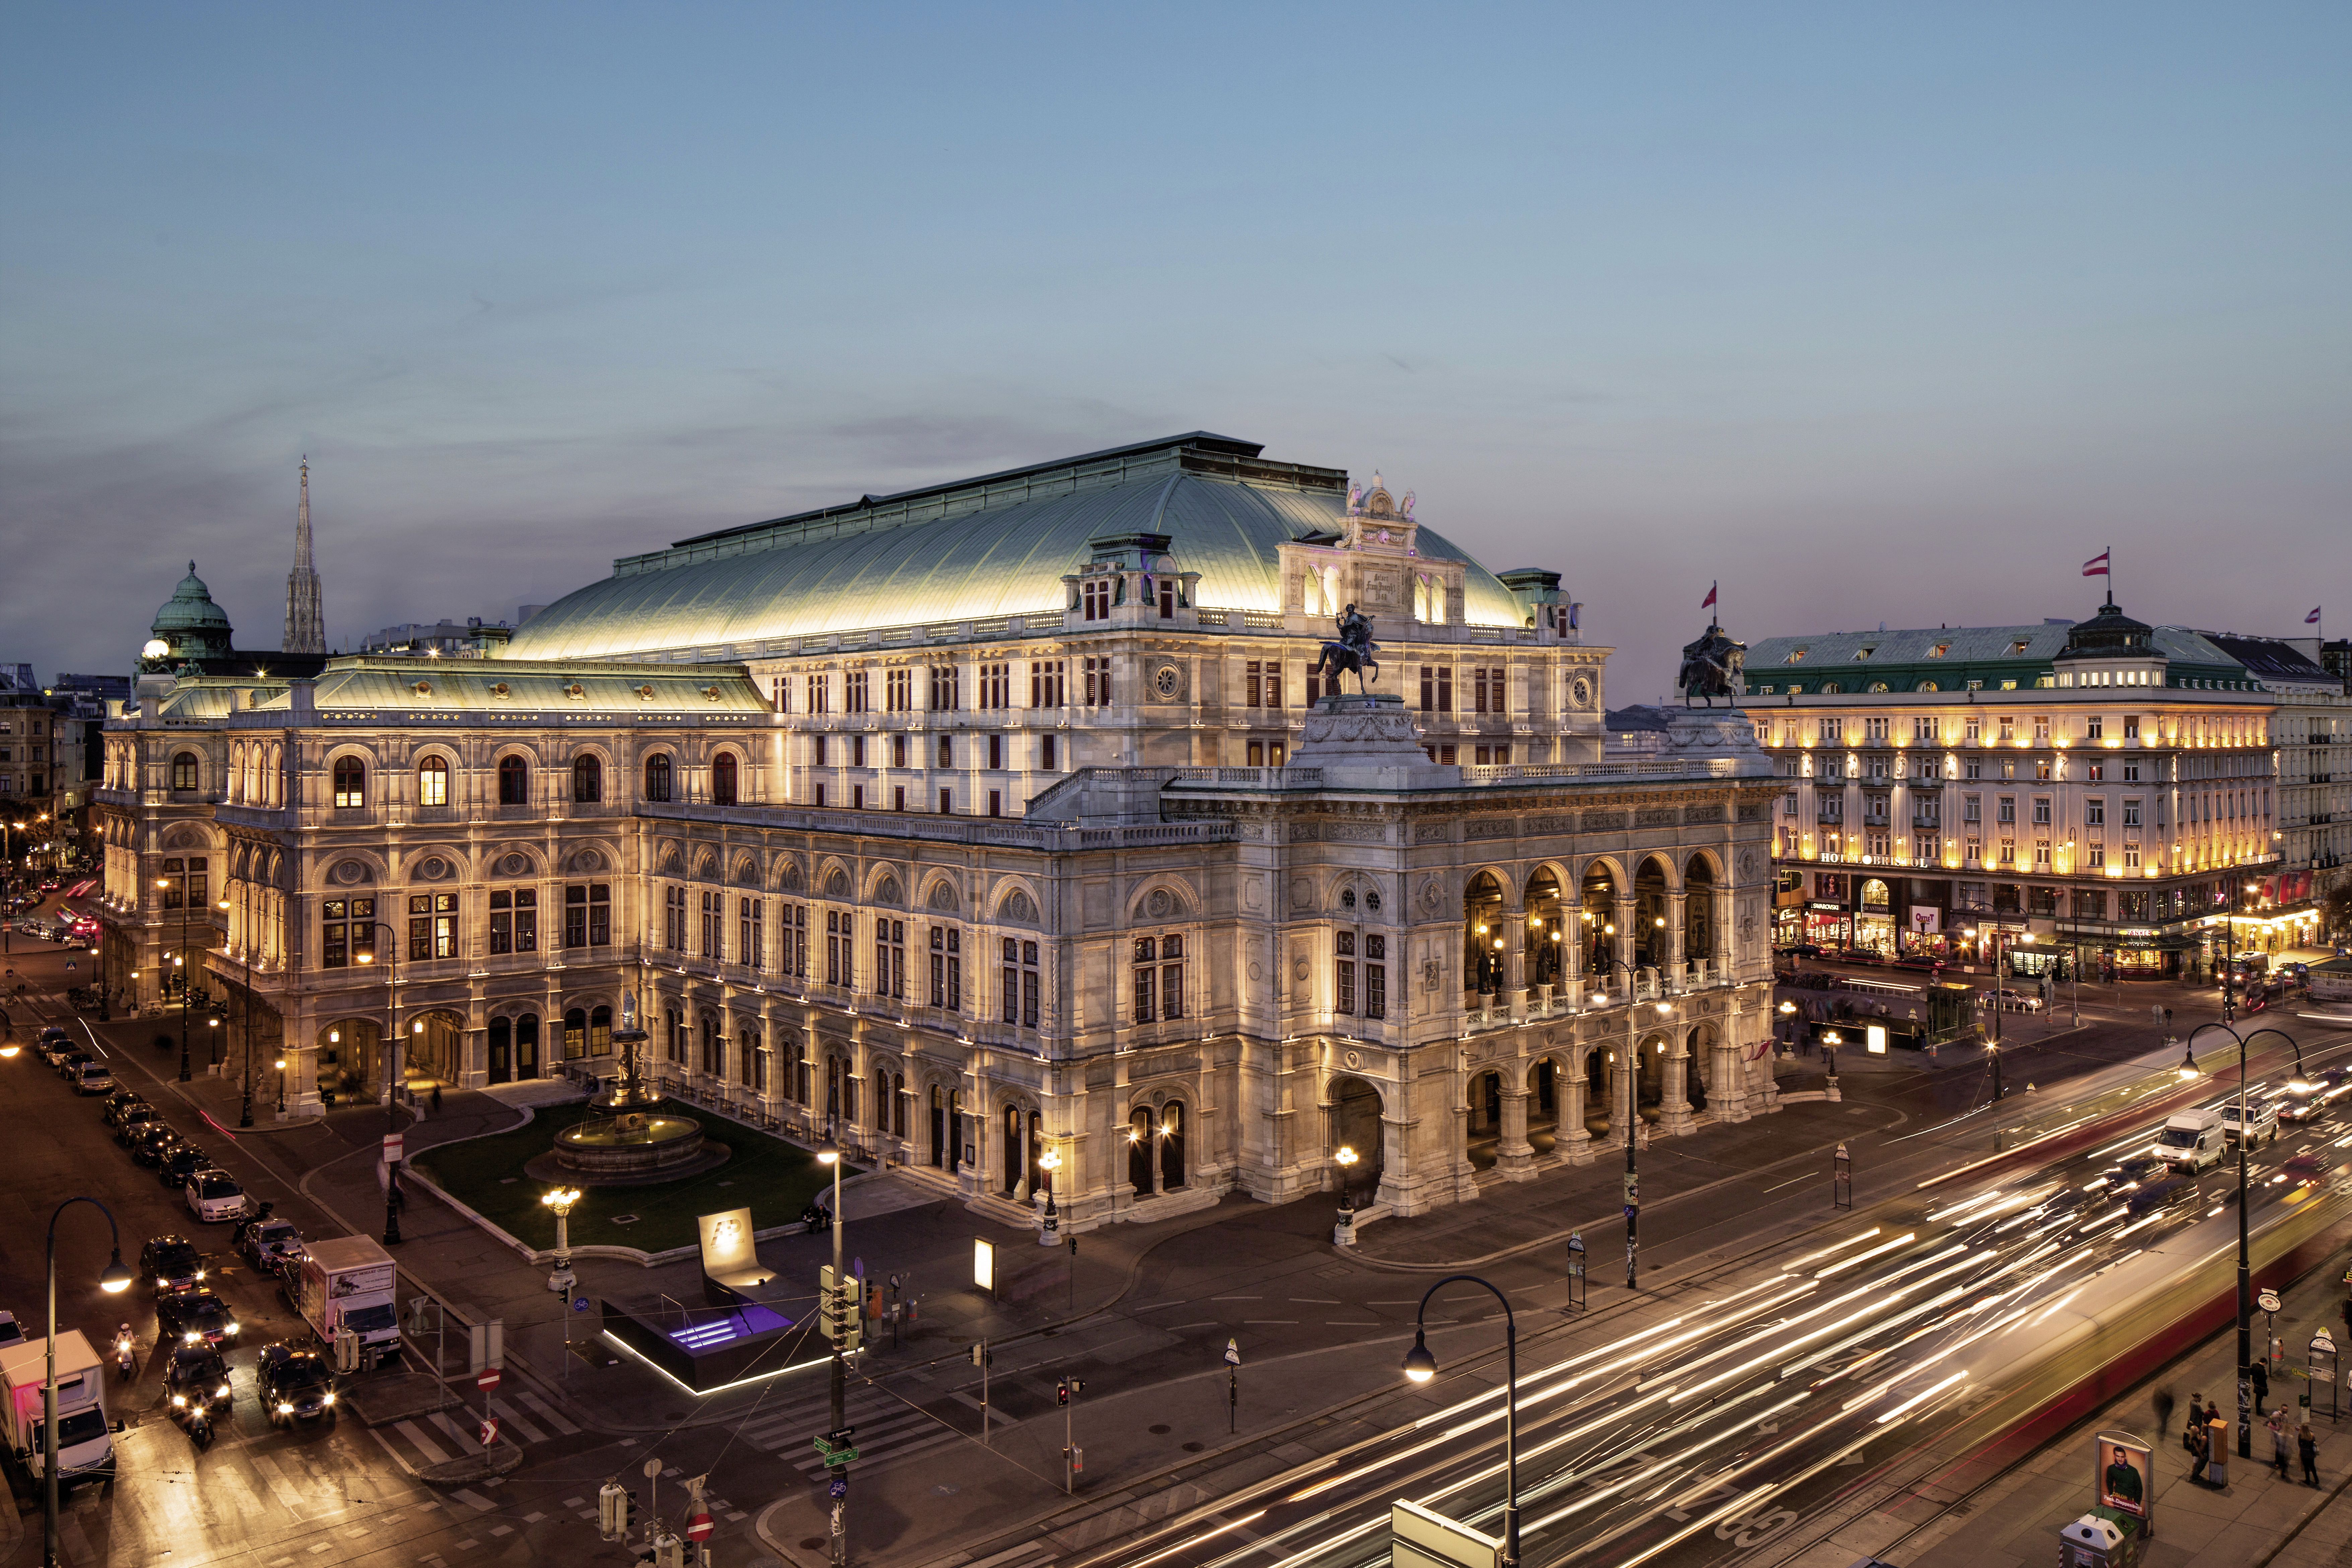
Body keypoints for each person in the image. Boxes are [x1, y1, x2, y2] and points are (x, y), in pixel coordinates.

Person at [2269, 1409, 2291, 1479]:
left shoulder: (2281, 1435)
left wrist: (2271, 1428)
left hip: (2281, 1450)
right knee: (2285, 1463)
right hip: (2287, 1452)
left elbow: (2275, 1433)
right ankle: (2284, 1472)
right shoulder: (2290, 1436)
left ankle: (2279, 1466)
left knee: (2280, 1456)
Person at [2188, 1418, 2210, 1485]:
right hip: (2197, 1453)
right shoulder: (2196, 1438)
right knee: (2197, 1465)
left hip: (2199, 1453)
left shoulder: (2200, 1436)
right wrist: (2201, 1455)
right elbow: (2198, 1448)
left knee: (2198, 1465)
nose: (2200, 1429)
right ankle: (2193, 1476)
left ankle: (2195, 1475)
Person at [2300, 1421, 2320, 1486]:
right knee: (2312, 1466)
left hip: (2304, 1454)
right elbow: (2314, 1444)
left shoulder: (2301, 1436)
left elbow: (2299, 1445)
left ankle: (2308, 1480)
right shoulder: (2312, 1435)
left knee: (2306, 1467)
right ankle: (2316, 1479)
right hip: (2311, 1454)